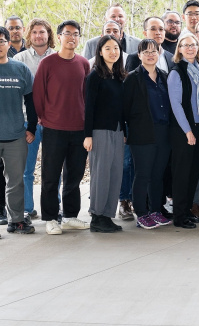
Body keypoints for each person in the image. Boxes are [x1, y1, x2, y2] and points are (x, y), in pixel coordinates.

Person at [34, 20, 92, 235]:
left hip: (78, 129)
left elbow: (87, 97)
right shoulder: (48, 63)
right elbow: (38, 95)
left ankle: (70, 216)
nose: (71, 38)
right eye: (67, 34)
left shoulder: (83, 63)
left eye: (75, 34)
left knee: (74, 176)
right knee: (50, 176)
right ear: (58, 37)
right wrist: (45, 118)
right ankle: (50, 218)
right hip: (53, 128)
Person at [122, 39, 172, 230]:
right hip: (142, 133)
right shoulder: (132, 78)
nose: (150, 54)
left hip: (163, 132)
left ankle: (156, 210)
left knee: (158, 175)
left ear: (159, 53)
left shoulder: (165, 76)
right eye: (146, 51)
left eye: (154, 51)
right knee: (143, 174)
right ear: (139, 55)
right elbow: (124, 109)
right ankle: (141, 213)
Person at [84, 35, 126, 233]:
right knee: (101, 174)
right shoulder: (94, 76)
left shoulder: (119, 77)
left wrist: (124, 131)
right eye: (108, 48)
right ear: (100, 52)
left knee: (115, 174)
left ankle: (107, 215)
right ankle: (97, 216)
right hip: (99, 131)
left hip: (117, 131)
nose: (113, 52)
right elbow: (88, 107)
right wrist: (88, 135)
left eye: (116, 48)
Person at [14, 18, 55, 220]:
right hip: (27, 121)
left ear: (49, 34)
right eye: (35, 32)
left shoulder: (58, 57)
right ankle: (27, 208)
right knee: (26, 169)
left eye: (42, 32)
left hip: (54, 122)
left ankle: (54, 208)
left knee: (53, 168)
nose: (39, 35)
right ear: (29, 36)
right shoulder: (20, 59)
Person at [167, 33, 199, 229]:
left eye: (193, 45)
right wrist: (188, 131)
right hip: (184, 130)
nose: (190, 48)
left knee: (193, 172)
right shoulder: (177, 71)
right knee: (182, 173)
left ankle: (188, 211)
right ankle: (179, 216)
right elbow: (176, 105)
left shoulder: (198, 68)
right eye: (186, 45)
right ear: (180, 49)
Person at [0, 26, 37, 235]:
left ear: (8, 44)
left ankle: (16, 220)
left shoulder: (20, 69)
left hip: (15, 135)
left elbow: (30, 102)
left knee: (15, 182)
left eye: (2, 41)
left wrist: (31, 128)